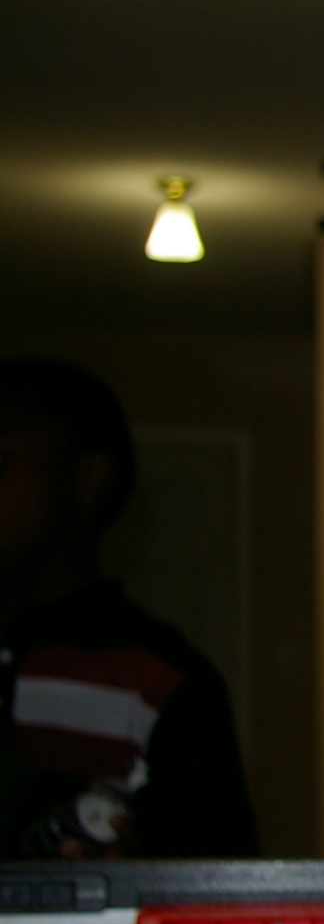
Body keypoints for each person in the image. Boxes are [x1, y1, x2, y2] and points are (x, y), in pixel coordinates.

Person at [0, 359, 258, 858]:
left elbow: (214, 880)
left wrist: (127, 872)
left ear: (89, 476)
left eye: (0, 459)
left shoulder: (160, 682)